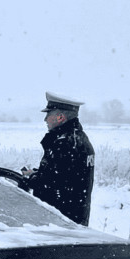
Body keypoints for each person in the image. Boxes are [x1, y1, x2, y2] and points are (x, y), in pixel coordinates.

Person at [21, 92, 94, 225]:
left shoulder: (64, 143)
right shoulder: (80, 138)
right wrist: (38, 173)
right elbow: (65, 175)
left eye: (48, 114)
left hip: (59, 220)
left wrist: (30, 178)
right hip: (75, 218)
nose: (45, 119)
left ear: (60, 117)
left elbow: (51, 184)